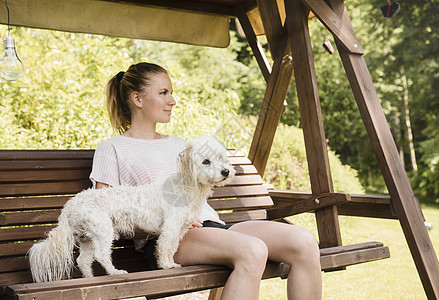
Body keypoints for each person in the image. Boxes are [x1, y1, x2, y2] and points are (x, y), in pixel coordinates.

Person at [89, 62, 322, 300]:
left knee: (303, 242)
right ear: (137, 99)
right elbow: (104, 214)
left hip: (212, 226)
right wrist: (166, 220)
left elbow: (212, 179)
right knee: (253, 250)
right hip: (168, 239)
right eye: (163, 93)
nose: (173, 101)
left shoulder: (180, 144)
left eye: (171, 93)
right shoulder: (112, 148)